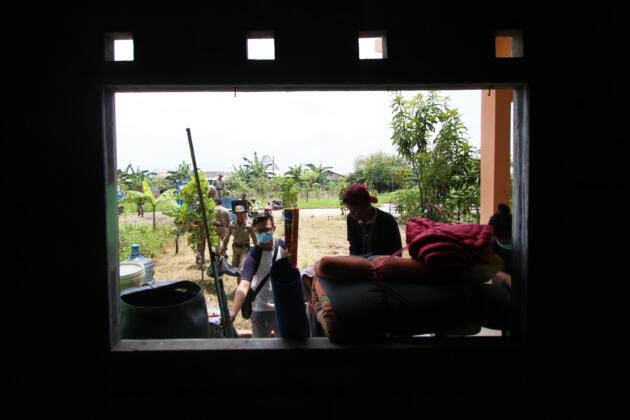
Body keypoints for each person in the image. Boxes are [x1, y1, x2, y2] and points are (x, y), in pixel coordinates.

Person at [229, 214, 286, 338]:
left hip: (283, 308)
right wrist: (233, 312)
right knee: (260, 346)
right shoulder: (253, 255)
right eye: (259, 230)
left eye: (267, 229)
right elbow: (244, 285)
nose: (263, 233)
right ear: (254, 231)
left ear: (274, 228)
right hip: (261, 310)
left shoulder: (283, 247)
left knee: (286, 344)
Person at [343, 183, 402, 257]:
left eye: (353, 210)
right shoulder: (351, 218)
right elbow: (353, 245)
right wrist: (354, 261)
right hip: (359, 263)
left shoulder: (388, 221)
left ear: (365, 207)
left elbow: (397, 253)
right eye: (349, 210)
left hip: (383, 263)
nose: (351, 214)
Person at [220, 205, 257, 284]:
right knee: (235, 268)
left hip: (245, 249)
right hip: (235, 249)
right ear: (235, 214)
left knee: (241, 269)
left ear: (244, 213)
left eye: (241, 213)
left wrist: (257, 249)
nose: (239, 215)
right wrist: (223, 247)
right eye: (237, 213)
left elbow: (254, 238)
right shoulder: (232, 224)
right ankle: (243, 283)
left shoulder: (249, 225)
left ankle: (241, 287)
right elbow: (227, 236)